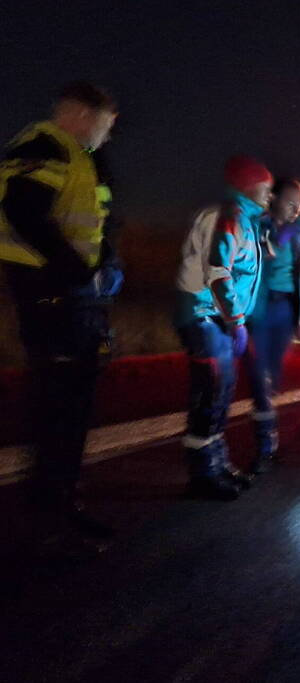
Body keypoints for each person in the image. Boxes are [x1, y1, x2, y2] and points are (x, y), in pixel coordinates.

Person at [0, 82, 123, 549]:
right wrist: (75, 271)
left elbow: (103, 220)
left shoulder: (84, 157)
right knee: (57, 406)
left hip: (79, 299)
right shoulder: (44, 145)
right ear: (79, 114)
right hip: (49, 297)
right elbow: (23, 211)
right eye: (106, 124)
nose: (108, 136)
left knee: (73, 405)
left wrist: (108, 262)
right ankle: (51, 515)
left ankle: (59, 502)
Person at [174, 155, 271, 499]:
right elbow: (218, 272)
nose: (269, 196)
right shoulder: (230, 219)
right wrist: (237, 321)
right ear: (251, 186)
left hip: (214, 318)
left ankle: (216, 465)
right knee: (210, 393)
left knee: (221, 391)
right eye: (266, 188)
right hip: (203, 316)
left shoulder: (243, 219)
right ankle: (203, 474)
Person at [243, 178, 300, 474]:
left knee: (273, 375)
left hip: (285, 308)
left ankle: (267, 429)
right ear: (273, 199)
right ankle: (265, 446)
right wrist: (283, 233)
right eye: (290, 202)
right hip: (260, 308)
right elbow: (266, 254)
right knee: (259, 376)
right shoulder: (258, 225)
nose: (296, 210)